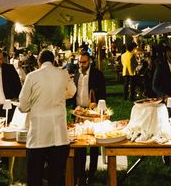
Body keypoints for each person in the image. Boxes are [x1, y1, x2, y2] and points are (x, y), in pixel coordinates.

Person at [19, 49, 76, 186]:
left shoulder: (32, 76)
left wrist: (30, 105)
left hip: (38, 136)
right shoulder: (63, 74)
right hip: (59, 136)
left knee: (35, 177)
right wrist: (61, 96)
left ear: (39, 62)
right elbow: (72, 91)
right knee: (56, 177)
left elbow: (23, 103)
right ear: (53, 61)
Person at [72, 51, 106, 186]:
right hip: (78, 112)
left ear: (90, 61)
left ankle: (91, 174)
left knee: (93, 144)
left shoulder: (97, 74)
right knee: (78, 144)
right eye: (79, 62)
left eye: (84, 62)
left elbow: (103, 93)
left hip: (92, 112)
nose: (81, 65)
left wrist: (97, 104)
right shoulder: (76, 73)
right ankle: (80, 173)